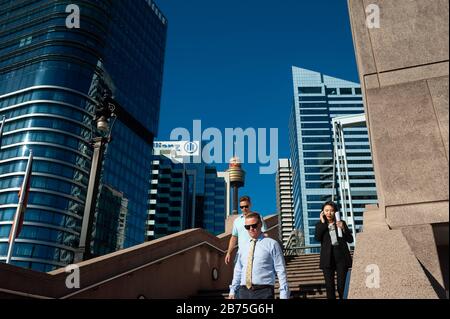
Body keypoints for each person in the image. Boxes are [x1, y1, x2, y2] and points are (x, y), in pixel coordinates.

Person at [228, 213, 290, 299]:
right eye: (247, 227)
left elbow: (280, 270)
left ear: (260, 225)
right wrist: (232, 291)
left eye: (254, 225)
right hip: (243, 292)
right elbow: (238, 270)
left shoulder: (272, 244)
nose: (251, 229)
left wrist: (284, 294)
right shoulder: (243, 247)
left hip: (264, 291)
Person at [315, 201, 353, 299]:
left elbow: (350, 239)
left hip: (341, 258)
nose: (329, 213)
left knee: (342, 286)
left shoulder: (341, 222)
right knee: (329, 287)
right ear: (322, 212)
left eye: (331, 211)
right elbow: (317, 238)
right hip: (327, 259)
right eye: (326, 210)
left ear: (335, 212)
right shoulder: (320, 224)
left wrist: (343, 228)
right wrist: (323, 224)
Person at [225, 196, 267, 265]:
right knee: (239, 274)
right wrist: (229, 252)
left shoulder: (258, 217)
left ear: (250, 205)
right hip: (241, 254)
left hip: (256, 252)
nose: (244, 209)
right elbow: (234, 237)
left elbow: (265, 234)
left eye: (246, 206)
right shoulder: (237, 221)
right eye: (241, 207)